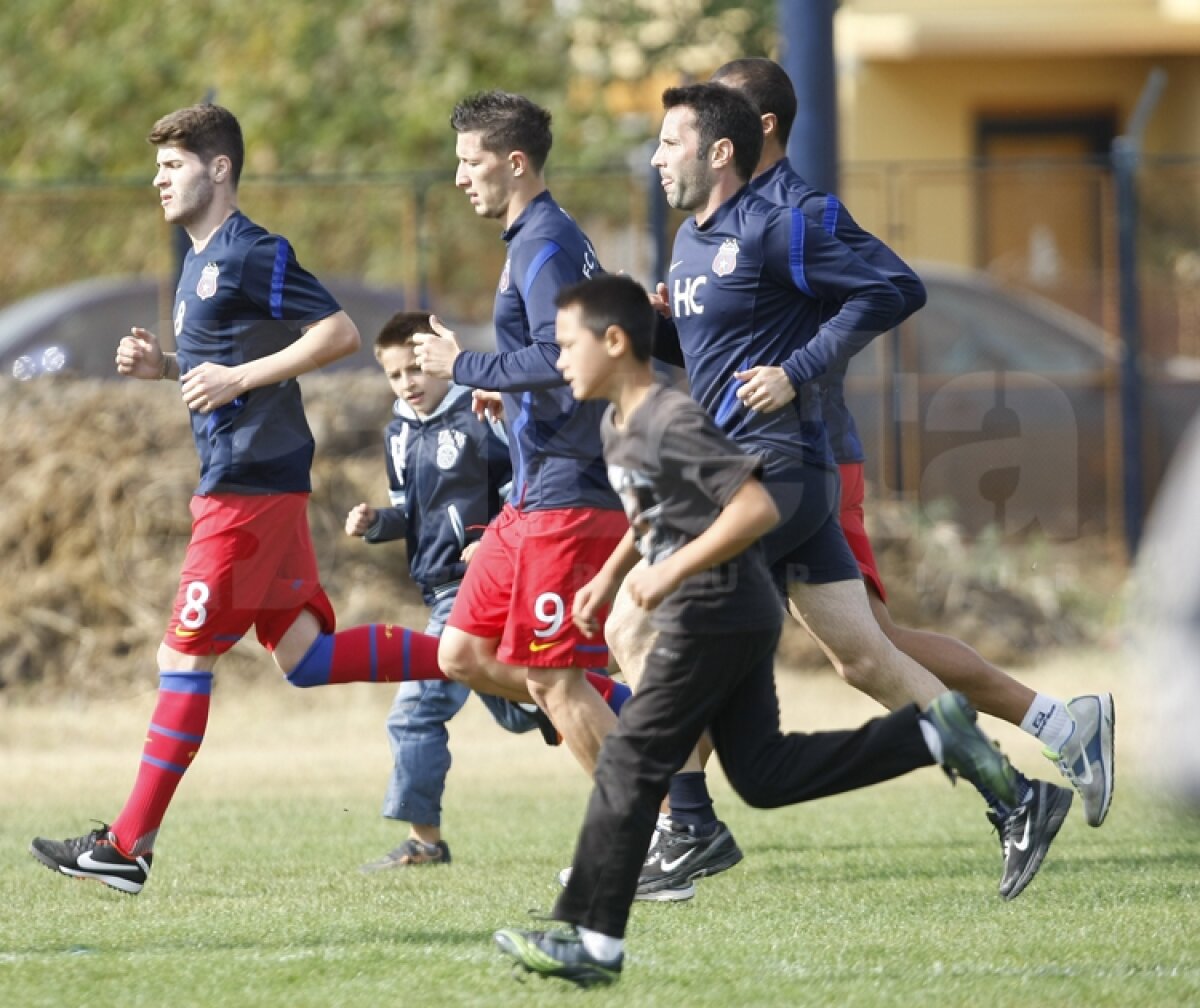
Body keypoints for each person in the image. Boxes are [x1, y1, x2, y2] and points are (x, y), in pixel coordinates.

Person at [26, 104, 574, 895]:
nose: (159, 179)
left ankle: (128, 845)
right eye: (158, 167)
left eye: (174, 165)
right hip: (255, 481)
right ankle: (529, 677)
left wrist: (239, 379)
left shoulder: (251, 250)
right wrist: (170, 366)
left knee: (181, 655)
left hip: (248, 487)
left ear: (219, 170)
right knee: (307, 658)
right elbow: (227, 360)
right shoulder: (195, 261)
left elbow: (339, 333)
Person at [601, 82, 1073, 904]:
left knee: (636, 621)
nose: (655, 159)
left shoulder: (782, 221)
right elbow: (716, 346)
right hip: (779, 476)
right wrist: (654, 327)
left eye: (668, 143)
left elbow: (894, 287)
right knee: (863, 657)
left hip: (773, 471)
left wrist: (796, 370)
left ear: (719, 152)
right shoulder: (689, 240)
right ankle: (1017, 797)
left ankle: (686, 827)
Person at [493, 272, 1025, 989]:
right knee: (764, 775)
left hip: (714, 607)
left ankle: (593, 945)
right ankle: (936, 731)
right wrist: (613, 572)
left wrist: (666, 572)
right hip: (725, 608)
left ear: (615, 342)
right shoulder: (619, 421)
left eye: (567, 346)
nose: (557, 362)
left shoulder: (668, 418)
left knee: (630, 762)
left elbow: (751, 507)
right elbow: (655, 511)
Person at [411, 91, 630, 776]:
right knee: (463, 653)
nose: (458, 177)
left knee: (550, 678)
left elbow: (562, 358)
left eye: (469, 162)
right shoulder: (539, 236)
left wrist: (465, 365)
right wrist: (500, 391)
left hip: (568, 485)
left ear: (513, 163)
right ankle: (647, 741)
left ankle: (654, 827)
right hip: (532, 487)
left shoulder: (541, 242)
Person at [348, 312, 566, 870]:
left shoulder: (484, 414)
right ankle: (597, 703)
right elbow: (409, 512)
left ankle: (426, 843)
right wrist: (377, 522)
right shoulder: (398, 432)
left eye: (417, 369)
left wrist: (493, 543)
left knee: (412, 714)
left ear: (442, 358)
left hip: (480, 588)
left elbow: (526, 494)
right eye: (395, 376)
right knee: (522, 708)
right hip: (440, 587)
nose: (408, 384)